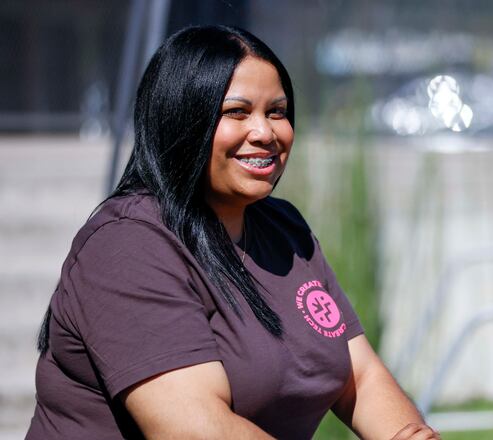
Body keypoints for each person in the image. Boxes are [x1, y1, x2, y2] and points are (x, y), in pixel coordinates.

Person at [26, 25, 438, 440]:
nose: (265, 133)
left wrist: (406, 434)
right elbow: (194, 428)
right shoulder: (128, 245)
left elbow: (360, 377)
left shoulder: (285, 230)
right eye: (237, 112)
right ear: (181, 119)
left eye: (276, 112)